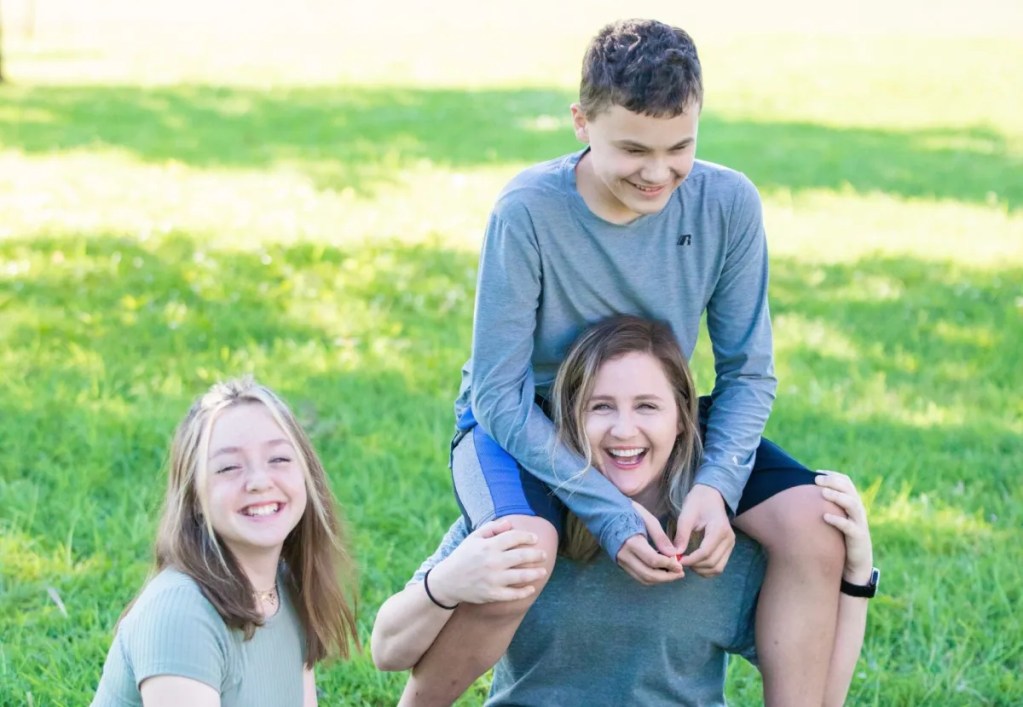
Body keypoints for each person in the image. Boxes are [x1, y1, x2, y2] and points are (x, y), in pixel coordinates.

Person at [402, 19, 849, 706]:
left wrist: (715, 486)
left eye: (680, 147)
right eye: (633, 148)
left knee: (813, 528)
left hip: (652, 410)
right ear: (581, 122)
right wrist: (606, 510)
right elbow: (496, 393)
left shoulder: (727, 203)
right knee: (521, 549)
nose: (657, 171)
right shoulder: (528, 212)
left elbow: (748, 372)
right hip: (527, 418)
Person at [373, 316, 876, 706]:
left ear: (684, 419)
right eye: (600, 407)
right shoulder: (527, 520)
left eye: (647, 407)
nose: (623, 431)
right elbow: (387, 651)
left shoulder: (718, 542)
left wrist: (854, 578)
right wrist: (448, 583)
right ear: (568, 422)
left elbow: (821, 697)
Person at [91, 378, 358, 707]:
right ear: (194, 499)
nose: (259, 481)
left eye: (279, 459)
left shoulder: (288, 584)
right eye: (229, 467)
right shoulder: (179, 613)